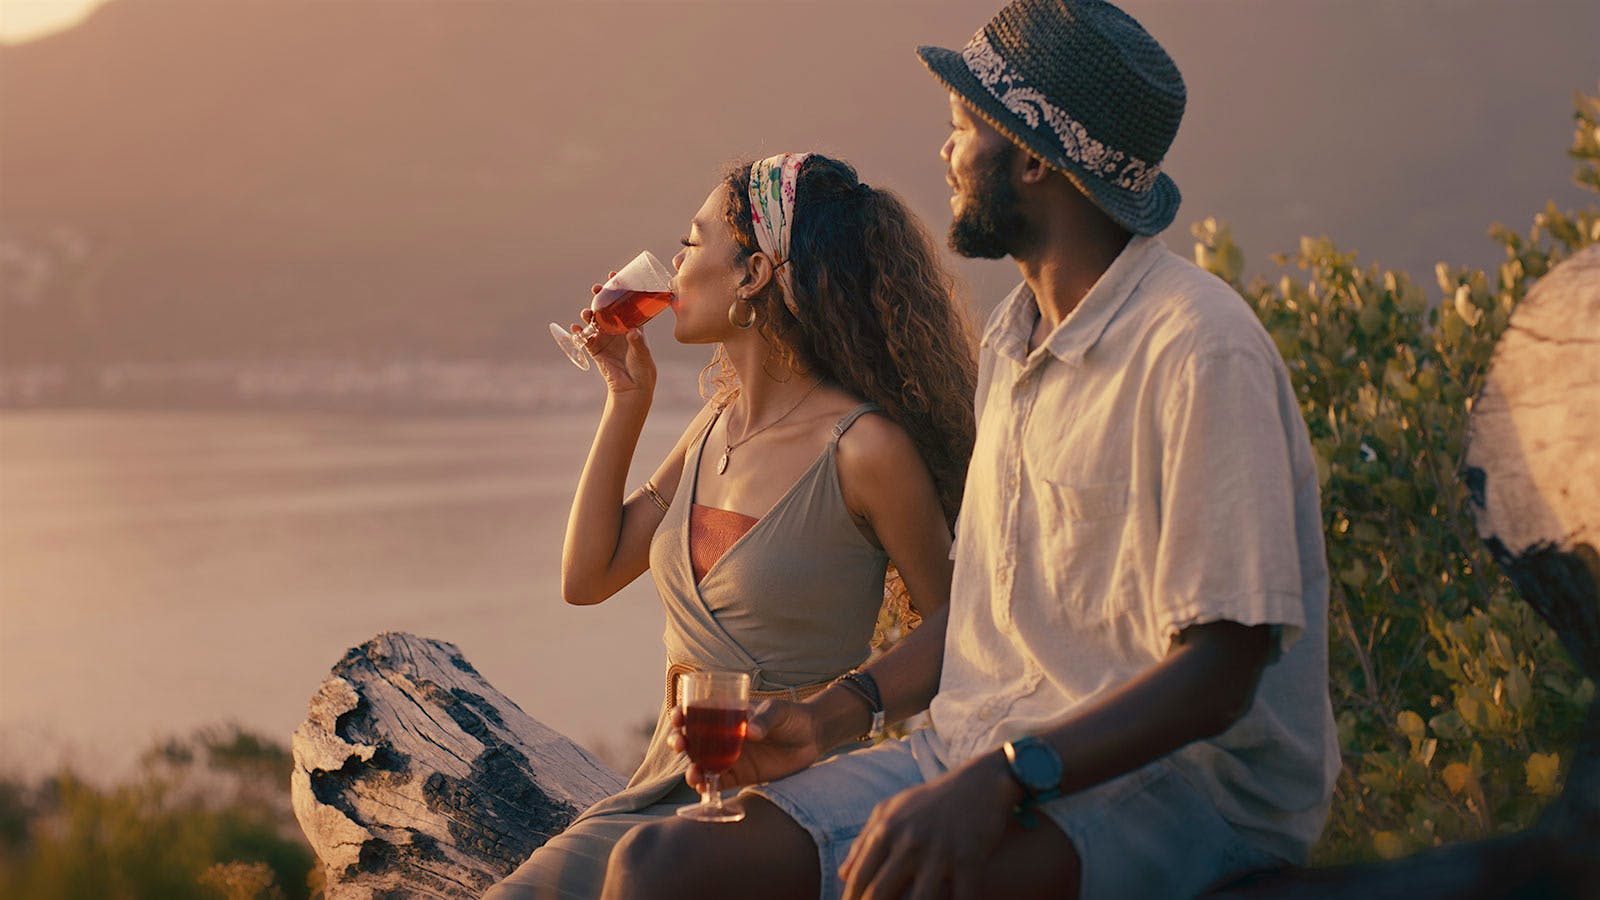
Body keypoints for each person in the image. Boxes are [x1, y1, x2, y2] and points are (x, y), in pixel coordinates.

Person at [600, 2, 1340, 898]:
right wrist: (833, 715)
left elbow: (1222, 668)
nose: (944, 155)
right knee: (661, 865)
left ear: (1031, 158)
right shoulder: (1015, 345)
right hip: (976, 747)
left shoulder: (1195, 346)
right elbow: (982, 618)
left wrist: (1002, 778)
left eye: (962, 131)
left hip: (1176, 789)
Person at [481, 152, 978, 899]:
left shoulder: (867, 449)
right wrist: (625, 404)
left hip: (788, 799)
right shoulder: (715, 424)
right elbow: (587, 577)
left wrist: (843, 713)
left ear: (752, 275)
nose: (673, 265)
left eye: (690, 241)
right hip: (663, 786)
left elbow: (962, 631)